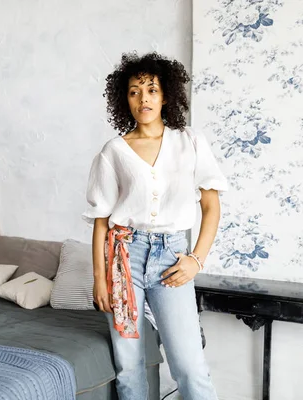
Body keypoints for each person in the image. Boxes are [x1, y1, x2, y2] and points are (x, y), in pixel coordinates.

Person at [83, 52, 227, 400]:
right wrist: (100, 279)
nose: (143, 98)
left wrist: (196, 259)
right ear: (125, 99)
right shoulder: (113, 151)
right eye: (134, 91)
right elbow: (101, 222)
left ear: (166, 95)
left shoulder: (189, 142)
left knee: (189, 366)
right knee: (128, 367)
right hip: (123, 262)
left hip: (172, 259)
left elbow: (211, 206)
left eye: (151, 89)